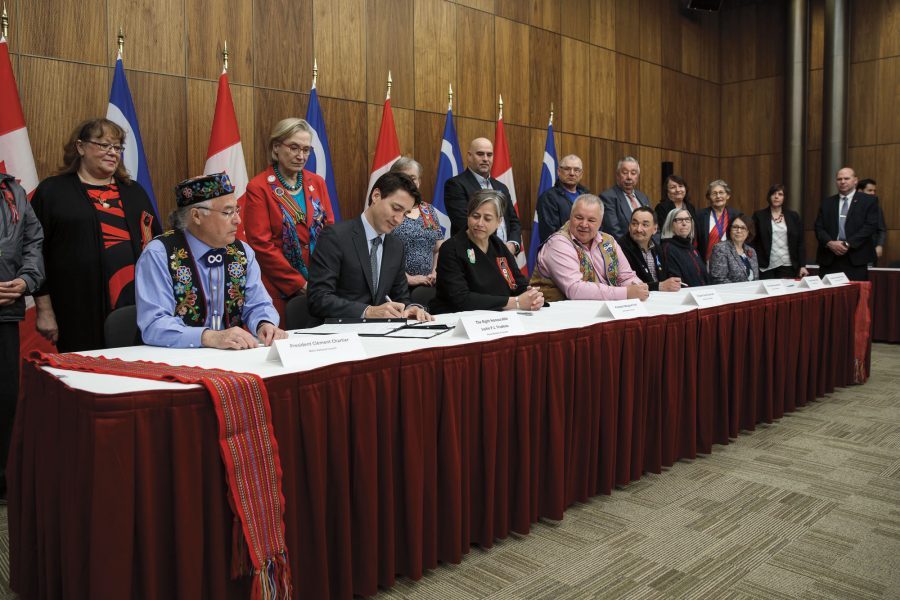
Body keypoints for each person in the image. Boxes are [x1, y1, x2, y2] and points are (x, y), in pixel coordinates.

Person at [31, 118, 162, 352]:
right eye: (103, 145)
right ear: (80, 147)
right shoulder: (52, 191)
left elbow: (157, 246)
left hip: (135, 305)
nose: (112, 153)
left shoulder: (134, 191)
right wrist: (45, 309)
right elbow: (34, 253)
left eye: (117, 147)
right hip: (77, 308)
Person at [135, 173, 286, 349]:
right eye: (227, 212)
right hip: (172, 362)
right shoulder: (159, 254)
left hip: (228, 359)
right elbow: (154, 325)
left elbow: (258, 304)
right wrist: (209, 337)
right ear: (197, 216)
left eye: (237, 211)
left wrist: (265, 324)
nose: (238, 220)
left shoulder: (242, 252)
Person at [307, 172, 432, 322]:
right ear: (376, 196)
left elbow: (400, 298)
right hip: (340, 335)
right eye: (396, 208)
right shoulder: (335, 237)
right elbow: (318, 299)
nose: (399, 220)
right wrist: (368, 311)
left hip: (382, 335)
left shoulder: (396, 246)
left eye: (405, 213)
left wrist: (410, 308)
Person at [244, 118, 334, 323]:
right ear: (276, 147)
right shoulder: (258, 187)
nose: (301, 156)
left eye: (306, 149)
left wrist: (325, 279)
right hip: (280, 289)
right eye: (294, 148)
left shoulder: (317, 182)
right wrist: (299, 284)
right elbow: (261, 244)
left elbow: (330, 230)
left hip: (319, 285)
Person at [0, 173, 44, 502]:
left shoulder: (12, 190)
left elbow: (33, 242)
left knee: (5, 399)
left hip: (6, 312)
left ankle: (3, 481)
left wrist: (28, 279)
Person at [431, 189, 543, 314]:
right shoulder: (451, 248)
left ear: (499, 222)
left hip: (498, 318)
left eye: (487, 218)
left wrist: (533, 297)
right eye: (475, 216)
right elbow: (460, 299)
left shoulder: (499, 247)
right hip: (456, 320)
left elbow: (517, 283)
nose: (480, 223)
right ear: (468, 216)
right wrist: (515, 302)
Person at [532, 194, 648, 301]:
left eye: (591, 220)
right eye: (579, 217)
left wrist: (638, 287)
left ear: (600, 222)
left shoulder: (608, 241)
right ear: (570, 216)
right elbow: (575, 289)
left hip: (602, 310)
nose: (584, 224)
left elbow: (626, 276)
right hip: (557, 315)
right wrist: (625, 293)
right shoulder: (558, 243)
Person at [443, 137, 522, 257]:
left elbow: (513, 220)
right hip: (474, 256)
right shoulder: (455, 185)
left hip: (505, 256)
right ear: (469, 156)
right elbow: (464, 223)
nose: (485, 159)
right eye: (480, 154)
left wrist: (513, 244)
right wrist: (497, 247)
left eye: (489, 155)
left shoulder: (501, 187)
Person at [814, 167, 879, 281]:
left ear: (855, 180)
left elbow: (870, 226)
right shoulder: (827, 203)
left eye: (846, 178)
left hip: (856, 259)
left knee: (854, 296)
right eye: (839, 179)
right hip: (829, 259)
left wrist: (847, 244)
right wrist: (830, 243)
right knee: (828, 297)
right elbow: (818, 227)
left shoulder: (869, 201)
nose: (842, 181)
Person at [388, 157, 443, 288]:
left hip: (428, 284)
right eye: (403, 178)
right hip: (397, 285)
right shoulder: (389, 209)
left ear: (419, 182)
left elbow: (438, 249)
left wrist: (435, 272)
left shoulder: (428, 210)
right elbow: (381, 251)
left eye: (412, 178)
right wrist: (408, 278)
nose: (409, 183)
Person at [617, 207, 682, 292]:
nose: (638, 229)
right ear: (629, 226)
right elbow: (626, 284)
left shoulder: (657, 248)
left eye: (645, 225)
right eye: (634, 223)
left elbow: (665, 276)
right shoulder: (620, 248)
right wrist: (659, 286)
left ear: (654, 229)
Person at [751, 184, 808, 279]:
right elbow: (753, 241)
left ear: (784, 198)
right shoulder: (759, 216)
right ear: (769, 196)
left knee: (786, 293)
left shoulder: (793, 216)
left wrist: (802, 265)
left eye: (780, 194)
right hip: (765, 266)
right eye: (773, 194)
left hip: (788, 265)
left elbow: (800, 242)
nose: (776, 196)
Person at [536, 154, 590, 244]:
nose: (572, 173)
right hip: (561, 251)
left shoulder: (587, 196)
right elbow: (550, 234)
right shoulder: (548, 198)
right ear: (559, 171)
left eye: (576, 170)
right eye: (567, 169)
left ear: (581, 174)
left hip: (587, 250)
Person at [599, 156, 650, 239]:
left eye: (633, 173)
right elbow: (614, 231)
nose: (629, 177)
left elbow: (654, 225)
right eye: (625, 172)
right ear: (618, 175)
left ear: (637, 176)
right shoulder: (607, 197)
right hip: (624, 248)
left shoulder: (643, 197)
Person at [660, 208, 709, 287]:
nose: (684, 223)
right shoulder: (668, 248)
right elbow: (676, 282)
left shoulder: (691, 247)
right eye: (679, 220)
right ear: (670, 224)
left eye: (687, 219)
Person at [695, 179, 740, 262]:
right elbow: (695, 242)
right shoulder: (699, 216)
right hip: (707, 262)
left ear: (728, 195)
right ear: (709, 197)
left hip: (731, 261)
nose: (718, 196)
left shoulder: (736, 215)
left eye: (721, 192)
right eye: (714, 193)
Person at [708, 214, 759, 283]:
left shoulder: (751, 251)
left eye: (743, 228)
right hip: (732, 292)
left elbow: (756, 278)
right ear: (730, 230)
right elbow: (719, 279)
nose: (739, 231)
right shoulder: (720, 249)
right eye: (735, 227)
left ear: (748, 232)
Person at [857, 178, 886, 263]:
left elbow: (881, 229)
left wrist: (879, 245)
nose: (873, 193)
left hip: (870, 250)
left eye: (874, 191)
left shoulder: (876, 208)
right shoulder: (849, 206)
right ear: (860, 191)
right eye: (869, 190)